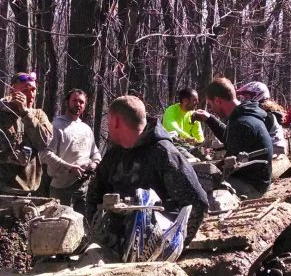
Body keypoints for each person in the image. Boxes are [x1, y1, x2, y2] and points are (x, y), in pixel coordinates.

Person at [85, 95, 208, 245]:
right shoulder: (113, 155)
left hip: (154, 251)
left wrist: (175, 245)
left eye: (108, 121)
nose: (108, 127)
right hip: (113, 248)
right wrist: (96, 232)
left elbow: (197, 202)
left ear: (116, 122)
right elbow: (94, 195)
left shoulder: (164, 153)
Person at [0, 71, 53, 196]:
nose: (30, 95)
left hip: (30, 192)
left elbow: (44, 142)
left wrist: (26, 114)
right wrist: (5, 156)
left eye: (33, 90)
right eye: (25, 90)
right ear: (12, 90)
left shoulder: (39, 115)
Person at [192, 77, 275, 198]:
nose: (212, 109)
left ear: (217, 100)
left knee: (199, 192)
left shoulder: (242, 123)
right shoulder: (243, 114)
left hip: (252, 185)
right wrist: (209, 119)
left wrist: (198, 172)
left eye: (210, 104)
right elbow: (231, 138)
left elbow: (227, 166)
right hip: (252, 178)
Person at [41, 88, 101, 214]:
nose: (78, 104)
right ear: (66, 102)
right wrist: (69, 167)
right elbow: (45, 154)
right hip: (62, 188)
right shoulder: (56, 126)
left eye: (81, 102)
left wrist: (94, 164)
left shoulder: (86, 129)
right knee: (59, 226)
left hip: (84, 188)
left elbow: (95, 153)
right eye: (74, 100)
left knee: (83, 226)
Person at [237, 81, 288, 156]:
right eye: (244, 98)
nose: (244, 101)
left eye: (247, 97)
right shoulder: (263, 112)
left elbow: (250, 137)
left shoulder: (266, 115)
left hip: (270, 154)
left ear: (258, 95)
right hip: (267, 151)